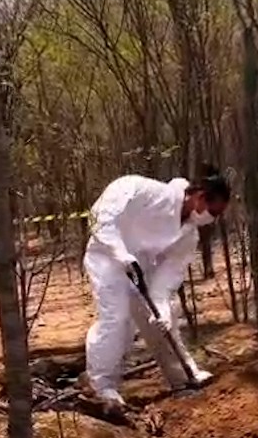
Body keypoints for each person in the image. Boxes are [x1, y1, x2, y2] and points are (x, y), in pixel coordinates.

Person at [82, 166, 230, 415]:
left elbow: (170, 273)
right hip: (107, 260)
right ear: (199, 197)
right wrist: (119, 252)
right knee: (117, 320)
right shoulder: (141, 190)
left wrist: (160, 304)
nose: (212, 219)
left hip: (142, 269)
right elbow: (100, 217)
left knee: (163, 319)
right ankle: (102, 386)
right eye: (213, 211)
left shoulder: (188, 237)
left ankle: (183, 377)